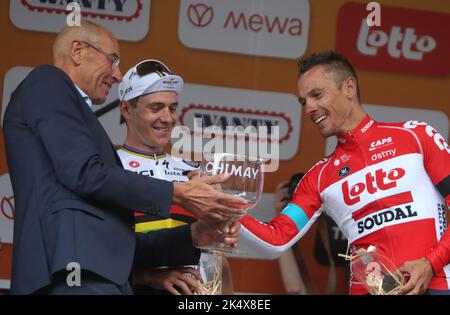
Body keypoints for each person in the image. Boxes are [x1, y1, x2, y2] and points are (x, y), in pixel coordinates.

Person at [2, 20, 245, 295]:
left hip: (98, 278)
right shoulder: (48, 80)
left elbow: (116, 240)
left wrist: (193, 236)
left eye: (172, 108)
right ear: (78, 51)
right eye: (113, 60)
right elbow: (84, 173)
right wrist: (178, 193)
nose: (118, 75)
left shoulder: (84, 138)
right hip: (72, 278)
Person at [237, 51, 450, 295]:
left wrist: (431, 263)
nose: (309, 108)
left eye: (316, 95)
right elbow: (277, 239)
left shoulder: (416, 136)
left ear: (349, 87)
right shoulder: (318, 177)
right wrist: (223, 208)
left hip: (436, 287)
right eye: (303, 101)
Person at [116, 59, 234, 295]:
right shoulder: (108, 170)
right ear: (127, 109)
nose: (168, 118)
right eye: (155, 107)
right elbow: (96, 250)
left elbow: (216, 257)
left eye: (172, 108)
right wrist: (146, 276)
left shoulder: (194, 172)